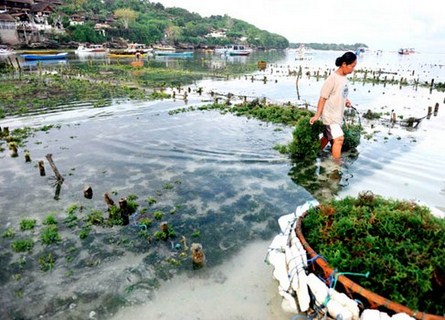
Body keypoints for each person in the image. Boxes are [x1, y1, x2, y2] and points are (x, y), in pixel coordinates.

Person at [309, 51, 357, 160]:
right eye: (352, 66)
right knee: (339, 139)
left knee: (327, 137)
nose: (353, 69)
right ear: (344, 64)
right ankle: (336, 166)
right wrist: (317, 115)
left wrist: (346, 101)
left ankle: (313, 154)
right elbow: (323, 97)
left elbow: (339, 93)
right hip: (330, 115)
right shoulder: (332, 78)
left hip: (337, 115)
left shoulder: (344, 78)